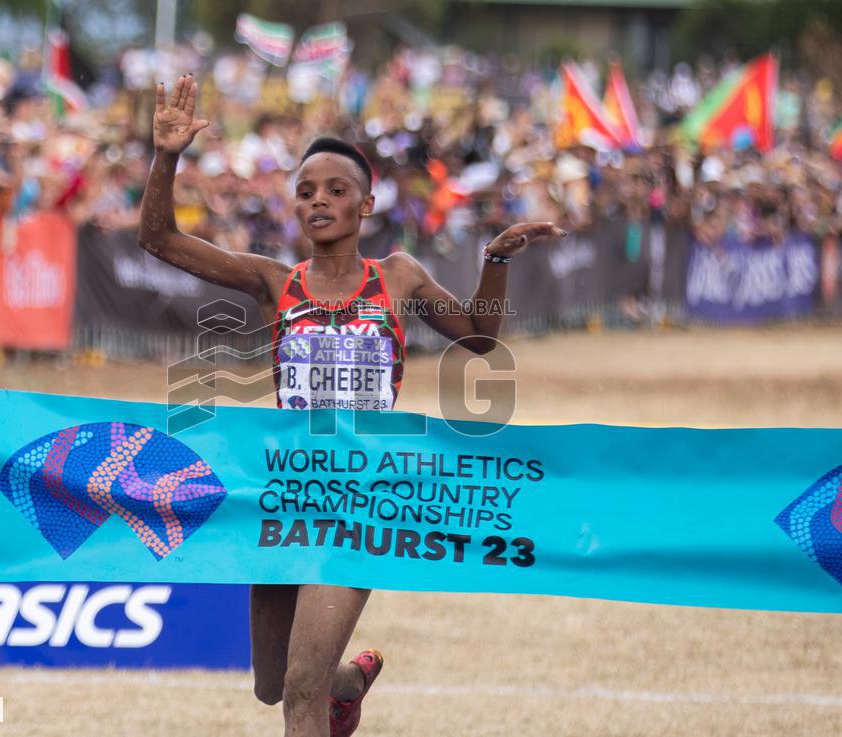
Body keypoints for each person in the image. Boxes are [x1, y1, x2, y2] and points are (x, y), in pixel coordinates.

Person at [138, 74, 566, 737]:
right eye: (306, 190)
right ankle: (348, 684)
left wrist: (495, 260)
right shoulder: (273, 279)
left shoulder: (397, 275)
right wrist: (167, 157)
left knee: (298, 691)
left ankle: (325, 689)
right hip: (285, 493)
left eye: (336, 190)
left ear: (366, 204)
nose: (318, 199)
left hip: (362, 497)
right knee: (273, 684)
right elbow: (161, 239)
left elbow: (480, 337)